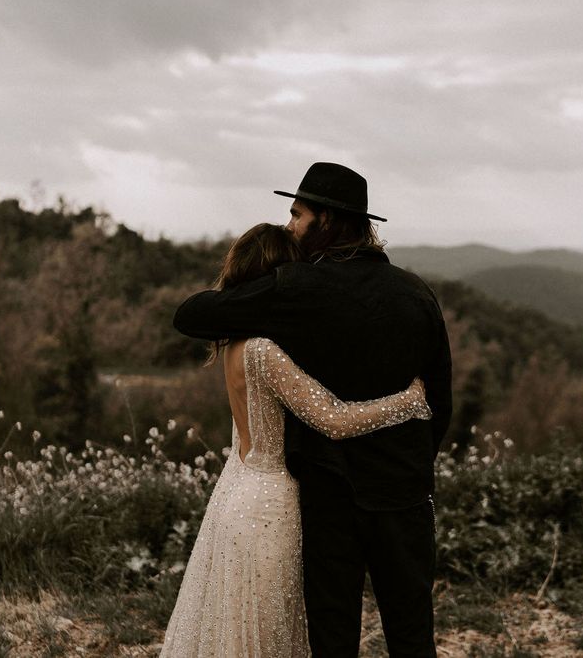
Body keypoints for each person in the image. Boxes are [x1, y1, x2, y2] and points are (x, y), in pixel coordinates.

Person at [173, 164, 453, 657]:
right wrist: (408, 467)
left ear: (325, 219)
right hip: (403, 492)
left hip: (330, 492)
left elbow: (192, 315)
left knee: (332, 635)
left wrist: (247, 287)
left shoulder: (296, 288)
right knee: (412, 634)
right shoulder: (416, 292)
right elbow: (439, 398)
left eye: (297, 214)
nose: (290, 226)